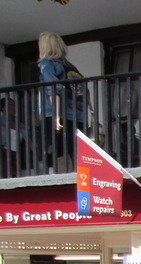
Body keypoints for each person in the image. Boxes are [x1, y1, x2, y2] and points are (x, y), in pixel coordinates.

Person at [38, 32, 88, 170]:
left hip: (59, 113)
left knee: (58, 151)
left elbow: (53, 88)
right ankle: (76, 178)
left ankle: (65, 179)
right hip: (77, 115)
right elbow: (83, 92)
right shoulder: (70, 66)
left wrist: (56, 116)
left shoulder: (47, 63)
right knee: (74, 150)